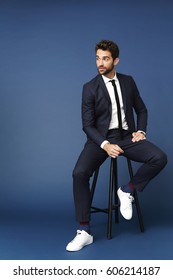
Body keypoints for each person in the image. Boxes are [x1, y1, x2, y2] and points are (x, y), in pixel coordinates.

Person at [66, 39, 167, 252]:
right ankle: (84, 232)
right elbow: (87, 125)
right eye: (97, 58)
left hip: (126, 137)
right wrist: (104, 145)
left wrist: (141, 131)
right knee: (79, 173)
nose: (100, 63)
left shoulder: (128, 82)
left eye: (105, 58)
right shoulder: (90, 88)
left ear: (116, 60)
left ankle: (126, 191)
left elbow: (142, 110)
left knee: (160, 157)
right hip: (100, 139)